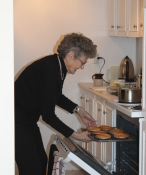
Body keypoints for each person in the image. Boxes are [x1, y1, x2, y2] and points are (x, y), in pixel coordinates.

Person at [15, 33, 97, 175]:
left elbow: (55, 96)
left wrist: (79, 110)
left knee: (41, 161)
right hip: (15, 122)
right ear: (71, 55)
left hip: (26, 121)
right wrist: (75, 135)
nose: (82, 67)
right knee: (32, 169)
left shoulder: (58, 66)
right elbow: (48, 116)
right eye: (82, 62)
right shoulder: (51, 70)